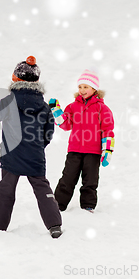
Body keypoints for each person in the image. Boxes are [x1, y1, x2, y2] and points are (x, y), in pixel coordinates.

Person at [0, 56, 63, 238]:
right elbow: (49, 132)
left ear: (16, 78)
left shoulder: (10, 101)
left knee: (6, 190)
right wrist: (38, 146)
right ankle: (54, 225)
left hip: (11, 154)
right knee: (42, 190)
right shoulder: (43, 105)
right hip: (35, 155)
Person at [49, 69, 115, 213]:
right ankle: (58, 205)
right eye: (80, 87)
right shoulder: (73, 106)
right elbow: (65, 125)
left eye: (86, 87)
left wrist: (107, 150)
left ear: (94, 89)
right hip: (74, 149)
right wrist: (57, 112)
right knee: (67, 178)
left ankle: (88, 206)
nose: (82, 90)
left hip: (93, 151)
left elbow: (107, 130)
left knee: (90, 180)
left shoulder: (102, 109)